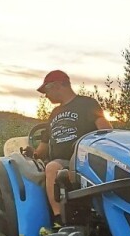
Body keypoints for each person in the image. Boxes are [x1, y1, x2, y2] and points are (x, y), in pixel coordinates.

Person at [33, 70, 112, 223]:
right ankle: (59, 219)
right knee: (51, 167)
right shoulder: (54, 113)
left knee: (52, 167)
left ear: (58, 86)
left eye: (46, 90)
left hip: (84, 160)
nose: (45, 95)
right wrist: (33, 154)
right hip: (62, 163)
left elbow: (106, 131)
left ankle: (63, 219)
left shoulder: (87, 104)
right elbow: (43, 147)